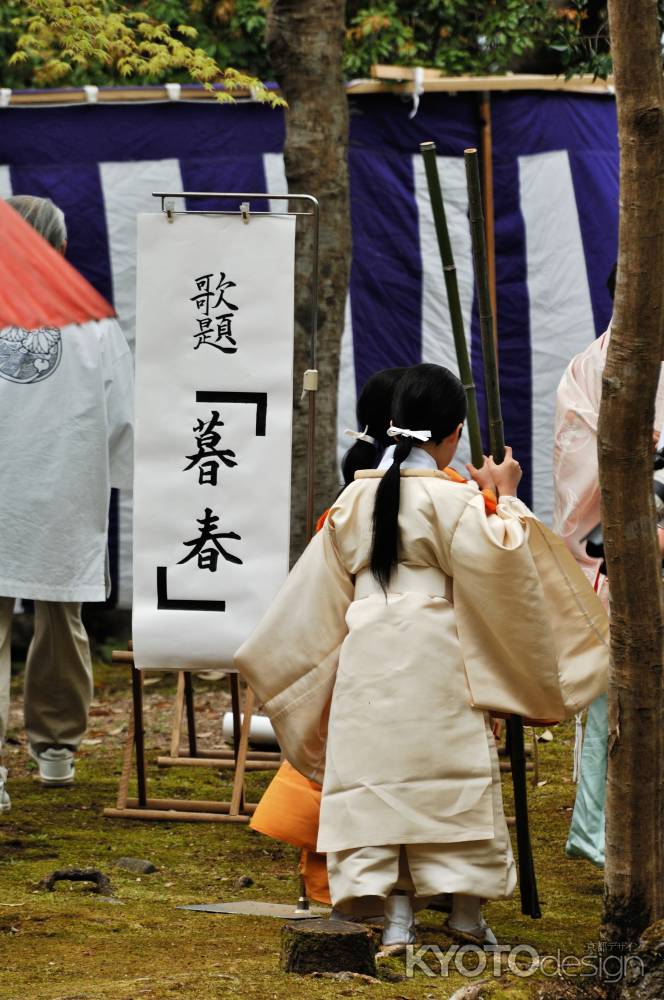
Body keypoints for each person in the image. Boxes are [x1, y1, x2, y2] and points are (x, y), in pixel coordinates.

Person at [237, 363, 608, 950]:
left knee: (377, 779)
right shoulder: (458, 503)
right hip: (438, 653)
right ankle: (463, 915)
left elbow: (316, 593)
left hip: (366, 652)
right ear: (453, 434)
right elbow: (511, 568)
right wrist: (505, 497)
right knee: (448, 782)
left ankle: (396, 913)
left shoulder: (354, 499)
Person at [0, 195, 134, 809]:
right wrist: (112, 473)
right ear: (58, 250)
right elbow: (122, 416)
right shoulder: (93, 323)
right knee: (62, 615)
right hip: (63, 483)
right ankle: (56, 748)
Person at [554, 264, 664, 866]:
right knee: (614, 700)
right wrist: (626, 454)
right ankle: (598, 829)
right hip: (627, 545)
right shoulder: (590, 369)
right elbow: (575, 485)